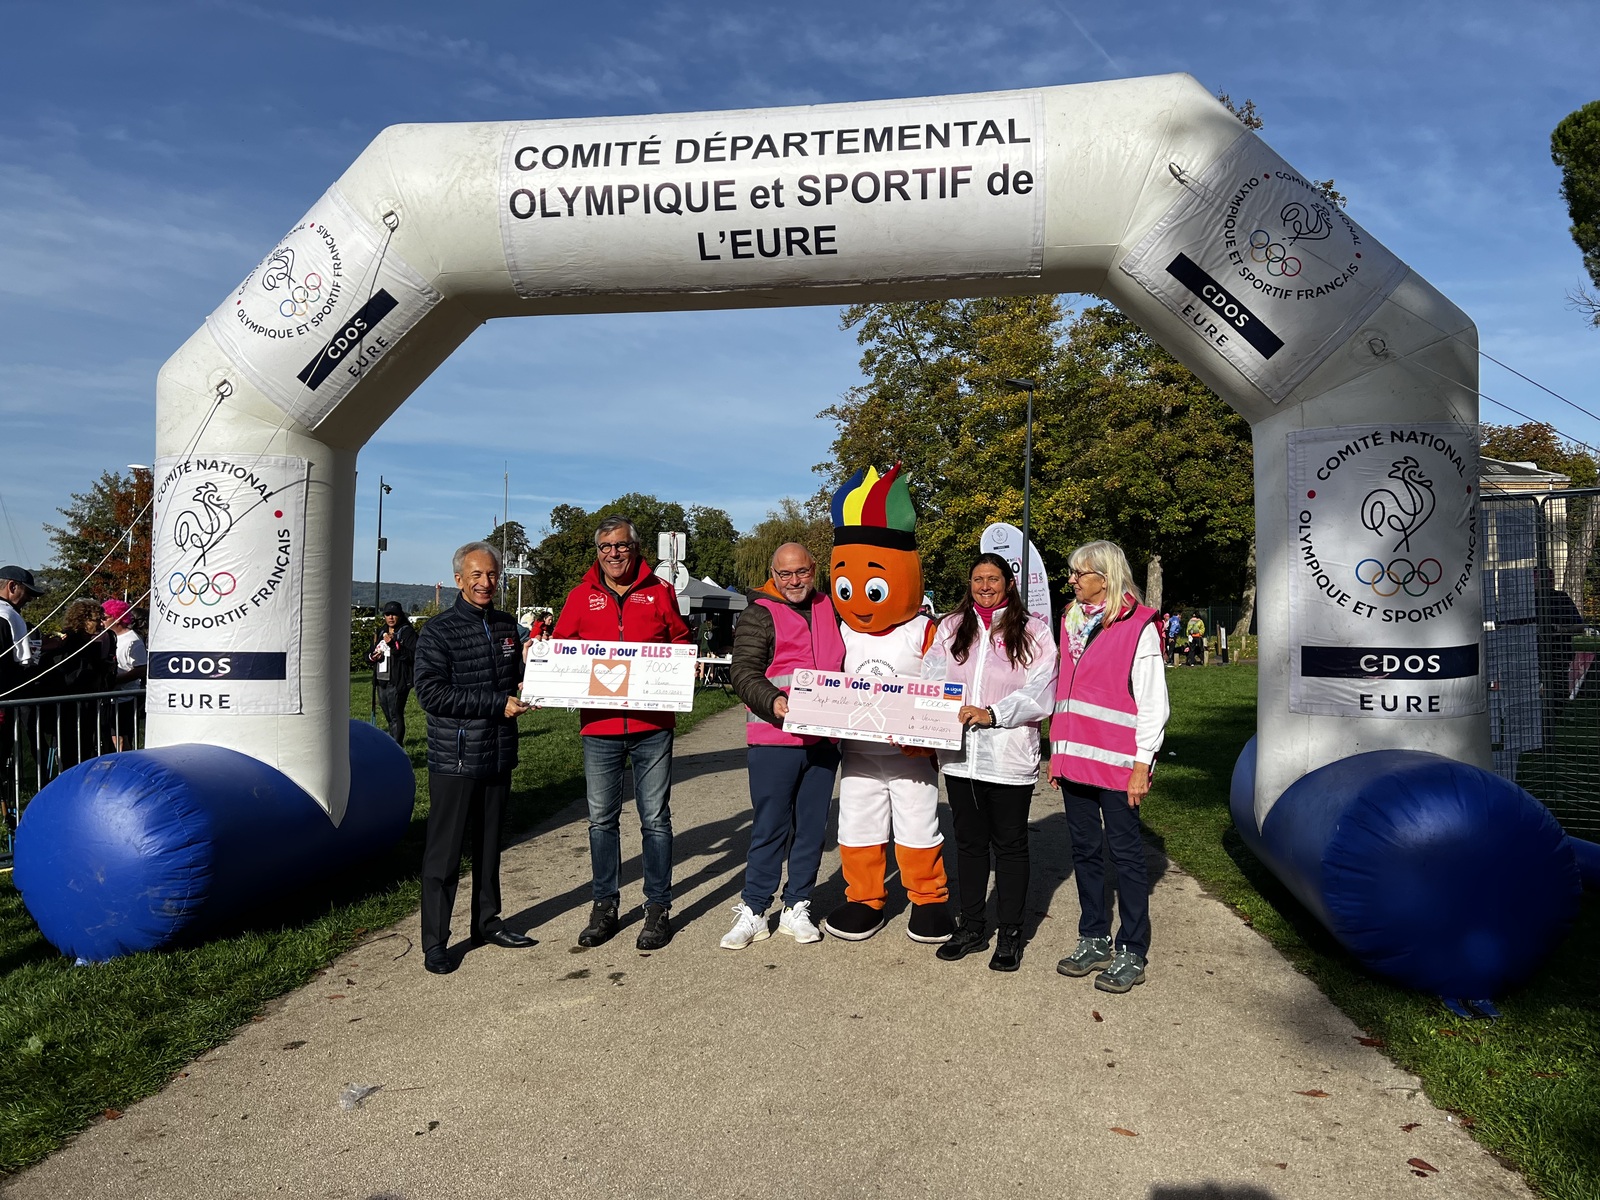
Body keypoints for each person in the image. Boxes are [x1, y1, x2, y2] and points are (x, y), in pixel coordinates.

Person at [552, 516, 691, 951]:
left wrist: (687, 660)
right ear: (597, 552)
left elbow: (681, 639)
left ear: (635, 548)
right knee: (600, 822)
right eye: (605, 547)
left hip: (652, 726)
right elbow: (560, 648)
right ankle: (604, 905)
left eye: (621, 546)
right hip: (600, 727)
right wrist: (541, 660)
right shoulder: (580, 596)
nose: (613, 553)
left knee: (655, 820)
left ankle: (657, 907)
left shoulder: (659, 591)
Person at [922, 553, 1058, 971]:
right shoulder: (951, 626)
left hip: (1009, 757)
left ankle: (1011, 933)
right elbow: (930, 678)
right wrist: (927, 726)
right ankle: (973, 926)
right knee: (969, 844)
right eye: (978, 579)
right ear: (969, 583)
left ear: (1009, 584)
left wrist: (993, 713)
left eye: (993, 579)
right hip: (961, 758)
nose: (985, 586)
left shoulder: (1033, 631)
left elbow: (1042, 688)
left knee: (1011, 846)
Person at [1050, 540, 1169, 994]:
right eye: (1073, 573)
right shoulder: (1070, 620)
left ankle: (1132, 949)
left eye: (1081, 573)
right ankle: (1094, 936)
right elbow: (1068, 691)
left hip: (1119, 765)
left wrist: (1142, 764)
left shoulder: (1139, 624)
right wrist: (1057, 753)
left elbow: (1154, 702)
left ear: (1106, 575)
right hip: (1075, 758)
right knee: (1084, 852)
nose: (1073, 580)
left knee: (1126, 856)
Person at [413, 541, 536, 975]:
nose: (486, 583)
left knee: (490, 850)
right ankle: (435, 942)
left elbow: (515, 678)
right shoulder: (438, 631)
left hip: (498, 752)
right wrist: (494, 704)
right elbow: (430, 693)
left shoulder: (506, 626)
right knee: (444, 856)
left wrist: (535, 675)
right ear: (459, 581)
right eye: (477, 576)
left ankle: (487, 923)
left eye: (493, 575)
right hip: (456, 758)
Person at [722, 542, 844, 949]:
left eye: (802, 572)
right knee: (770, 827)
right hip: (774, 738)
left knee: (811, 829)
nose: (794, 581)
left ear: (814, 570)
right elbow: (742, 671)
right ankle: (754, 909)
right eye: (785, 574)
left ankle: (798, 906)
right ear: (773, 576)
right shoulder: (760, 612)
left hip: (823, 739)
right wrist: (773, 700)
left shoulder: (832, 607)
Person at [39, 598, 115, 770]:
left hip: (85, 707)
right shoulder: (68, 642)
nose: (101, 624)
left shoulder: (90, 642)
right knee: (72, 751)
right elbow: (71, 675)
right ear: (83, 619)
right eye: (97, 620)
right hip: (69, 708)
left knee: (84, 748)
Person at [0, 566, 43, 788]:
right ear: (12, 586)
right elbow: (25, 661)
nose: (29, 600)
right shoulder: (9, 615)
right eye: (27, 594)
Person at [101, 598, 147, 752]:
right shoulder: (107, 637)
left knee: (120, 738)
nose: (102, 622)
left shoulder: (133, 640)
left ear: (118, 618)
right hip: (109, 697)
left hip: (124, 698)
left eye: (105, 618)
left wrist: (115, 680)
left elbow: (141, 669)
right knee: (109, 738)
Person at [369, 601, 417, 745]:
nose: (390, 617)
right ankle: (393, 744)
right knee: (389, 716)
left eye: (394, 614)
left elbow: (414, 655)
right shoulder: (381, 631)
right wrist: (372, 657)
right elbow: (369, 652)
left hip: (398, 680)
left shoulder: (407, 632)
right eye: (387, 614)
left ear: (400, 615)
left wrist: (394, 645)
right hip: (381, 679)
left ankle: (397, 748)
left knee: (396, 715)